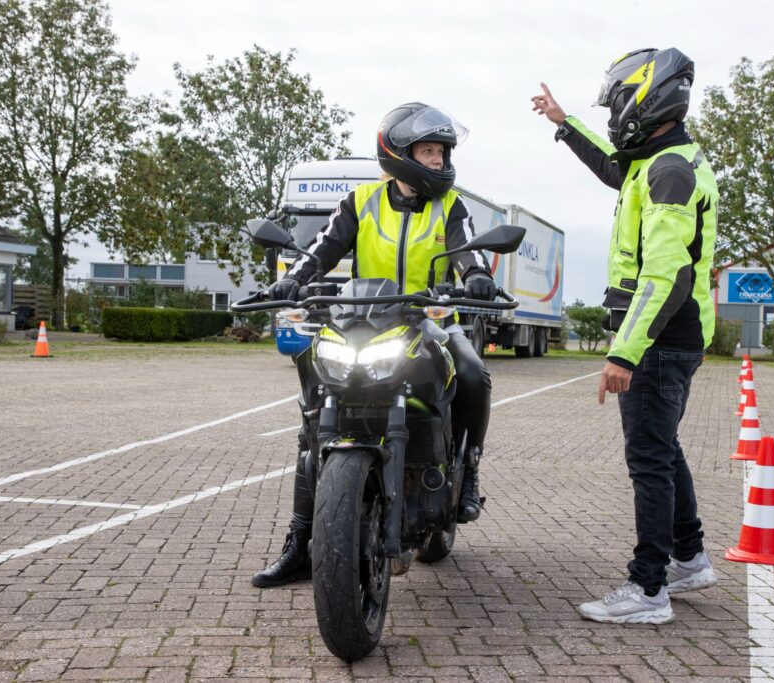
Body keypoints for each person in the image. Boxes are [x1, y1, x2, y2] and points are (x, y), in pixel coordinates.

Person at [252, 102, 496, 588]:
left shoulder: (451, 206)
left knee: (473, 374)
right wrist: (291, 282)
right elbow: (321, 250)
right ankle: (301, 542)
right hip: (364, 323)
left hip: (429, 322)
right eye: (427, 152)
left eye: (442, 152)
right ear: (398, 153)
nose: (438, 162)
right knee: (311, 422)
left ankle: (466, 471)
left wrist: (477, 277)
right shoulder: (360, 202)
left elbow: (467, 251)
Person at [532, 48, 719, 624]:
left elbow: (668, 275)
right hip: (674, 338)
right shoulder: (657, 160)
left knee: (648, 461)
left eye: (618, 104)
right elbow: (613, 167)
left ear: (646, 100)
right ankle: (689, 556)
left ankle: (649, 590)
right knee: (664, 450)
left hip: (660, 341)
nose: (616, 115)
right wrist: (565, 125)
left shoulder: (669, 171)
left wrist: (624, 353)